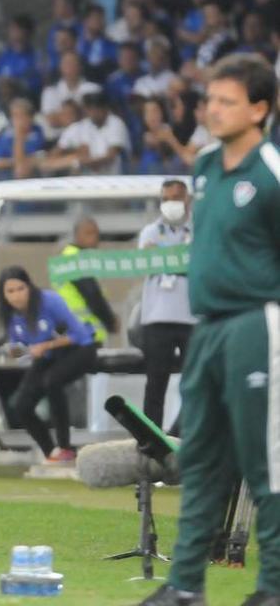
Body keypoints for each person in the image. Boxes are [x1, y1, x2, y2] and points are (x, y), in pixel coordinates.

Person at [141, 55, 280, 606]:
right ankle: (185, 586)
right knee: (198, 455)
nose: (212, 110)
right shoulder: (202, 164)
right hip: (207, 327)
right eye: (209, 99)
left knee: (262, 459)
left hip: (258, 324)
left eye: (226, 101)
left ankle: (271, 587)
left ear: (260, 108)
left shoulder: (272, 171)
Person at [0, 266, 97, 464]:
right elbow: (22, 349)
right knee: (21, 405)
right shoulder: (10, 316)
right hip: (47, 355)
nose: (16, 296)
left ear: (29, 287)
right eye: (10, 291)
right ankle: (51, 452)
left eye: (20, 289)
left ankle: (65, 448)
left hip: (79, 349)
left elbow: (80, 334)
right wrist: (17, 351)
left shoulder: (49, 301)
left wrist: (46, 345)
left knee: (52, 381)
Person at [137, 180, 195, 433]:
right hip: (157, 317)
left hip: (193, 317)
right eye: (166, 198)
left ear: (188, 200)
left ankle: (186, 434)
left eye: (176, 197)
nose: (171, 203)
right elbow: (143, 263)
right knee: (156, 382)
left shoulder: (200, 231)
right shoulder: (150, 232)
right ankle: (151, 439)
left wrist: (164, 255)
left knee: (195, 382)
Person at [55, 217, 119, 347]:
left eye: (96, 233)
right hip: (85, 331)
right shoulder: (77, 258)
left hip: (71, 330)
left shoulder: (66, 256)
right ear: (77, 235)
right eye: (88, 233)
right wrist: (111, 321)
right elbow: (92, 295)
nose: (94, 238)